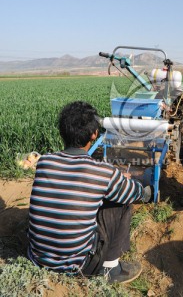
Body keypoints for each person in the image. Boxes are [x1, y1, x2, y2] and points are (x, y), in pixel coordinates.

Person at [27, 101, 151, 284]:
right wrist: (139, 188)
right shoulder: (102, 171)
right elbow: (134, 193)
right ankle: (110, 268)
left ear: (63, 132)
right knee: (123, 202)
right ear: (94, 134)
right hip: (78, 265)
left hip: (37, 258)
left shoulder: (45, 161)